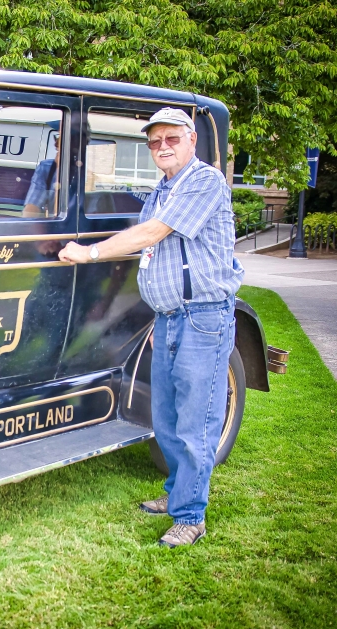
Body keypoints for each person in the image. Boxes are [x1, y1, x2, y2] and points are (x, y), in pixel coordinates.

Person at [59, 108, 243, 548]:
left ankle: (190, 517)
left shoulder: (204, 182)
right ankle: (176, 493)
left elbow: (151, 234)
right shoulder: (162, 188)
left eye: (171, 139)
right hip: (171, 317)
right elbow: (153, 253)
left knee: (197, 420)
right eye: (155, 140)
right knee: (167, 417)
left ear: (192, 139)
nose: (162, 147)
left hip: (203, 316)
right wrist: (161, 317)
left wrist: (90, 253)